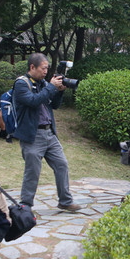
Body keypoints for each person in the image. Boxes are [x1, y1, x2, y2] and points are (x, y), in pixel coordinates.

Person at [12, 53, 81, 211]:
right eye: (43, 68)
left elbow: (54, 105)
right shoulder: (21, 84)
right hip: (33, 135)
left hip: (49, 133)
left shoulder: (43, 83)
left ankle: (65, 200)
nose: (45, 71)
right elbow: (33, 101)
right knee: (33, 171)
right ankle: (26, 204)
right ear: (32, 67)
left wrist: (60, 90)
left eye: (47, 68)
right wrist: (51, 87)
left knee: (62, 164)